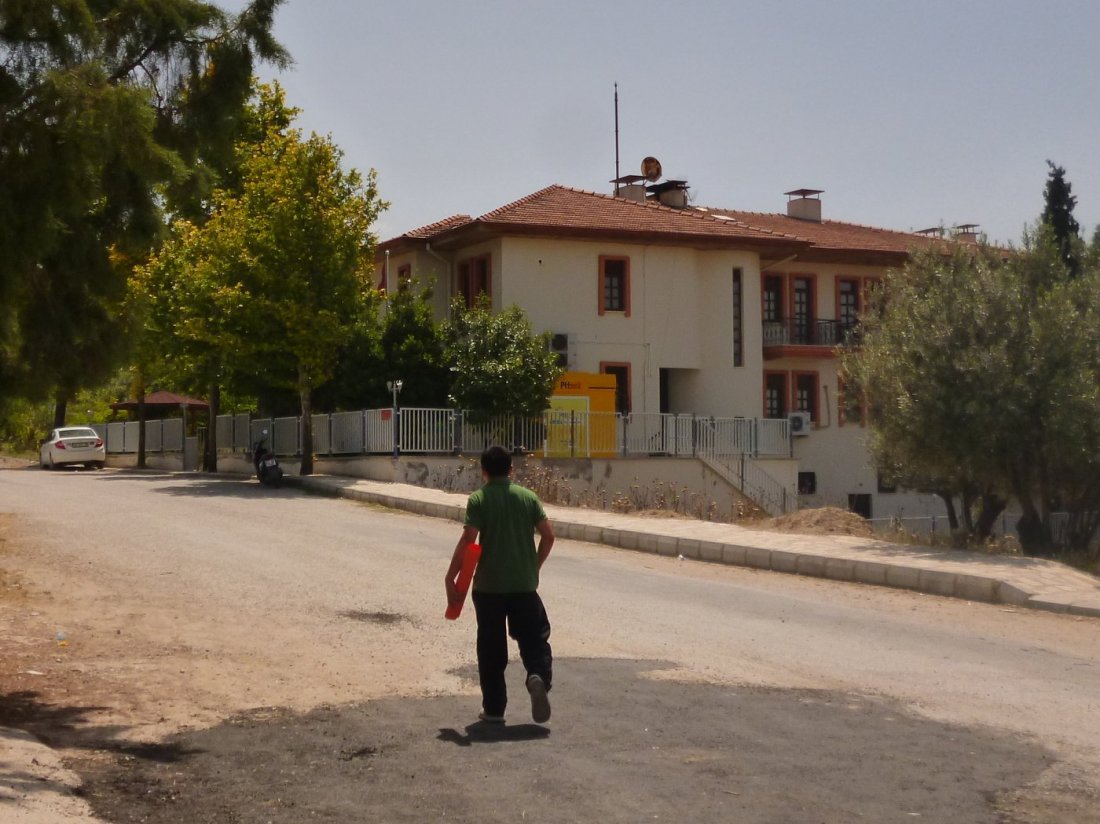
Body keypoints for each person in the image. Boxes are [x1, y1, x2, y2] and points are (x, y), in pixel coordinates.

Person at [446, 445, 555, 724]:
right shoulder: (528, 497)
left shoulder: (479, 499)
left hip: (489, 587)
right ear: (511, 469)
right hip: (524, 585)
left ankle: (494, 709)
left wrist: (451, 577)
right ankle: (536, 676)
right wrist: (534, 565)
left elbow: (469, 539)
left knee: (491, 648)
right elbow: (548, 536)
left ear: (483, 471)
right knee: (534, 638)